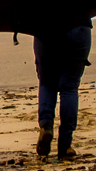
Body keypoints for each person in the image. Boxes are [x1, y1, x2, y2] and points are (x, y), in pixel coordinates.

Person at [34, 19, 92, 161]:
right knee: (69, 88)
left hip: (45, 29)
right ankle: (65, 145)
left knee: (47, 83)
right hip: (78, 29)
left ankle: (46, 124)